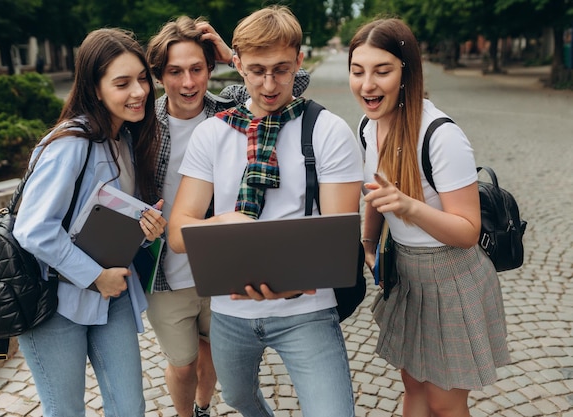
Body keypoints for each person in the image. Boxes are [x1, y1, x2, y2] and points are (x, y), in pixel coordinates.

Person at [168, 6, 362, 417]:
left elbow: (339, 246)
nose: (269, 84)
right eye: (256, 70)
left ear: (299, 62)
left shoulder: (328, 131)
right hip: (230, 311)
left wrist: (291, 284)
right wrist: (225, 221)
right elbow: (177, 232)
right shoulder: (212, 134)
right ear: (235, 62)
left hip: (306, 310)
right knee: (237, 398)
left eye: (281, 69)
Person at [143, 16, 310, 417]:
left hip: (220, 266)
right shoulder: (143, 123)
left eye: (197, 69)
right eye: (175, 72)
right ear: (158, 75)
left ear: (211, 69)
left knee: (213, 349)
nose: (188, 83)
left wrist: (232, 55)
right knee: (182, 361)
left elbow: (289, 81)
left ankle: (203, 406)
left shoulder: (228, 108)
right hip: (167, 269)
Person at [350, 18, 511, 417]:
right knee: (413, 385)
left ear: (407, 72)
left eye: (382, 71)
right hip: (407, 274)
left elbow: (467, 230)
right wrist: (369, 244)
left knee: (445, 401)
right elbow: (376, 193)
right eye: (357, 71)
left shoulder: (440, 135)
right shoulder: (369, 126)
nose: (367, 84)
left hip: (452, 277)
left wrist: (409, 207)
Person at [13, 28, 167, 417]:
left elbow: (105, 220)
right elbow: (32, 228)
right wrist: (94, 276)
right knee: (65, 412)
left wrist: (145, 232)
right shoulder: (70, 144)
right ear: (95, 89)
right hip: (54, 303)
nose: (139, 92)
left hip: (110, 298)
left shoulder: (125, 140)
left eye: (142, 79)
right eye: (122, 83)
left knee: (129, 408)